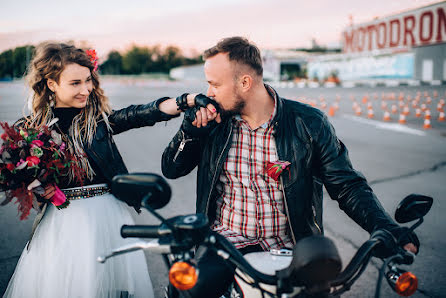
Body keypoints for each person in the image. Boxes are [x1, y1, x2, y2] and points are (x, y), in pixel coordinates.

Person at [161, 37, 420, 298]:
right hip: (224, 245)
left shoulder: (308, 123)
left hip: (292, 248)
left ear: (245, 83)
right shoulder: (213, 121)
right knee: (186, 290)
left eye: (215, 84)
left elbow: (347, 186)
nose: (208, 93)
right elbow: (171, 169)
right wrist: (190, 132)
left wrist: (386, 227)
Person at [3, 42, 216, 298]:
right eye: (75, 83)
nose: (86, 90)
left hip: (108, 217)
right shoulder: (30, 131)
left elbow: (140, 114)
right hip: (63, 223)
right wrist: (38, 189)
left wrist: (186, 100)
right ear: (51, 84)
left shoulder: (98, 122)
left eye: (88, 81)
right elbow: (16, 176)